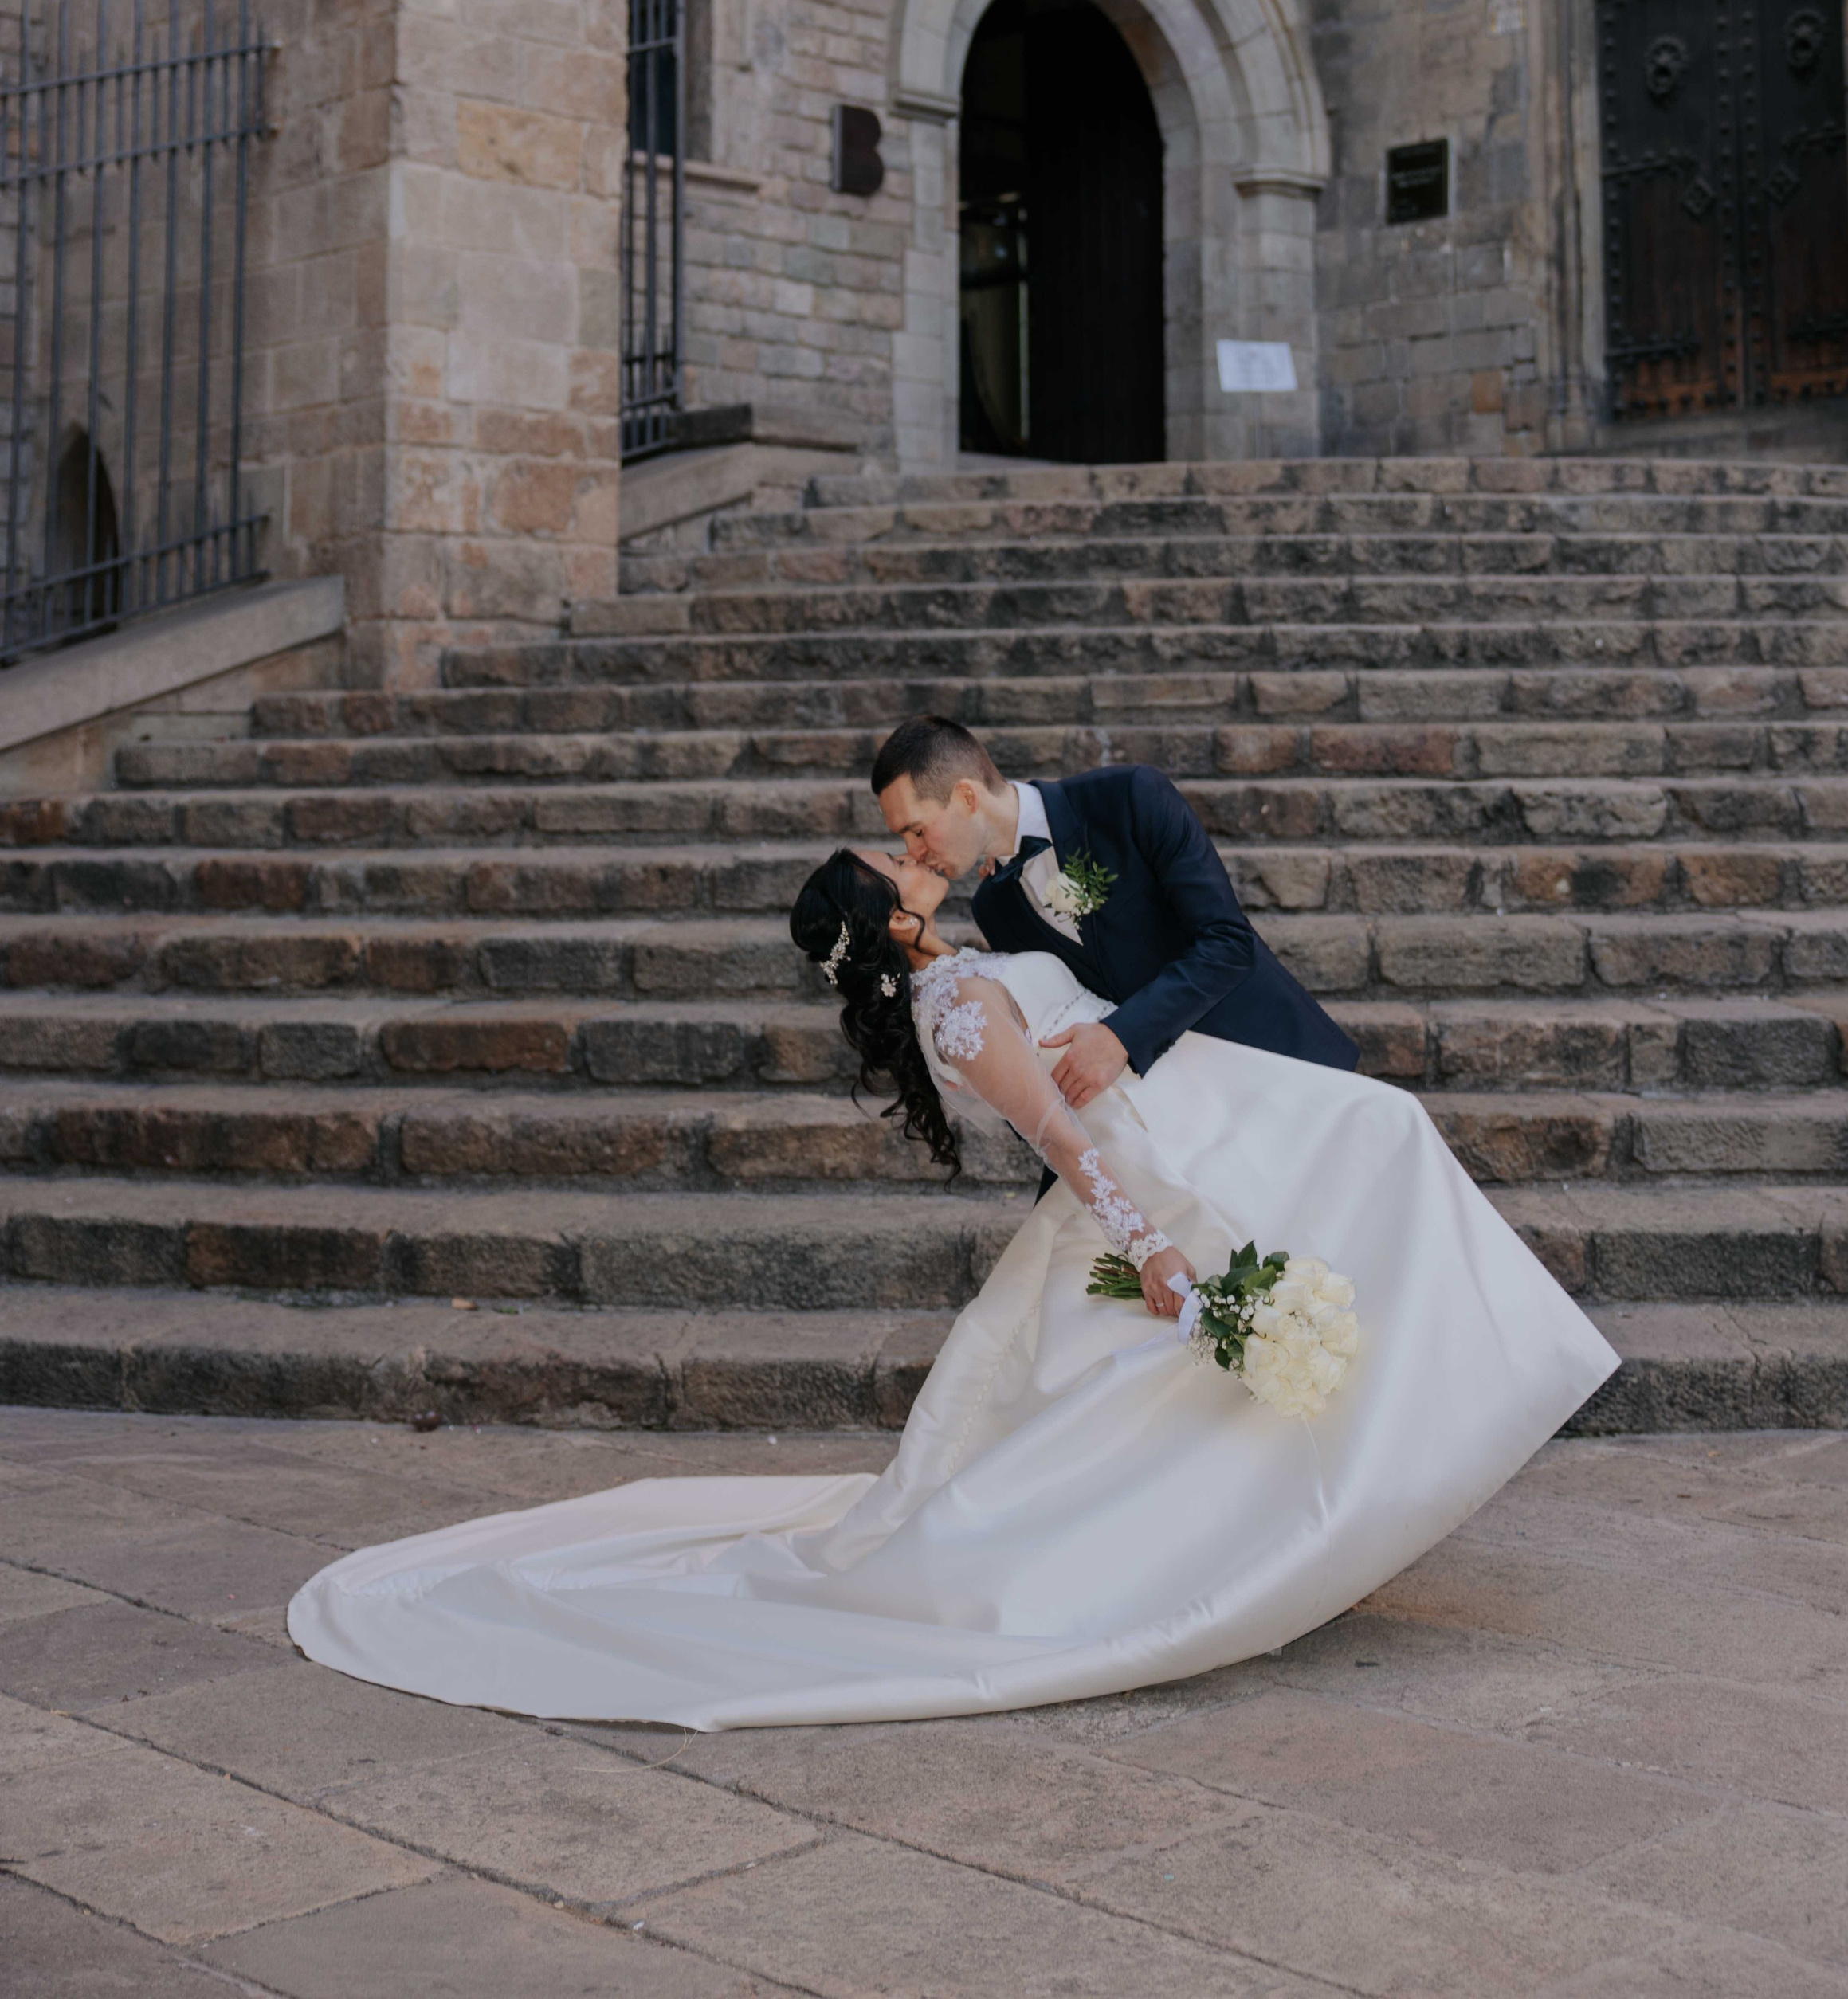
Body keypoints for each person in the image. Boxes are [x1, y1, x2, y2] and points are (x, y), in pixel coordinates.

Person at [288, 845, 1618, 1731]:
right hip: (1146, 1173)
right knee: (1266, 1277)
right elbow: (1060, 1135)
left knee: (1358, 1172)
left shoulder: (965, 972)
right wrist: (1150, 1242)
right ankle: (1231, 1550)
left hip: (1191, 1128)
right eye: (901, 863)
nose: (921, 855)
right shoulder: (962, 1006)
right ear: (897, 921)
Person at [871, 712, 1358, 1108]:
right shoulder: (994, 906)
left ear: (966, 797)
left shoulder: (1129, 798)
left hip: (1284, 1067)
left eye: (916, 830)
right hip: (1184, 1117)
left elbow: (1228, 942)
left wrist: (1120, 1036)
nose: (912, 853)